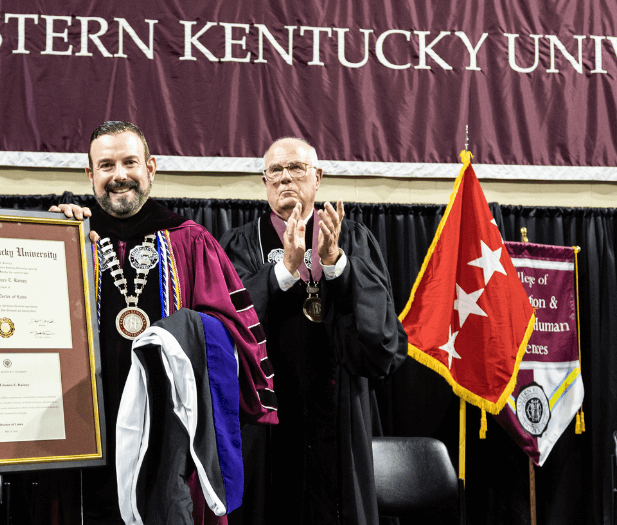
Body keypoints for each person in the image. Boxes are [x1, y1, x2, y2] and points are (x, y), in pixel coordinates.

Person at [53, 121, 277, 524]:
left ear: (151, 168)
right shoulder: (69, 238)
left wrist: (186, 335)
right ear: (90, 175)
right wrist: (49, 239)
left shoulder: (189, 241)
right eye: (106, 165)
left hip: (169, 430)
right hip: (84, 428)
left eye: (129, 162)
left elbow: (232, 335)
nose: (119, 175)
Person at [220, 137, 408, 525]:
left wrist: (336, 264)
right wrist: (282, 272)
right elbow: (226, 320)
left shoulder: (351, 239)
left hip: (338, 413)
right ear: (264, 182)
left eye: (296, 168)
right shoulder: (241, 244)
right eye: (275, 171)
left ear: (317, 177)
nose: (285, 178)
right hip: (265, 418)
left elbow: (383, 338)